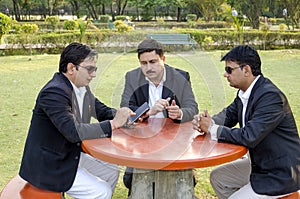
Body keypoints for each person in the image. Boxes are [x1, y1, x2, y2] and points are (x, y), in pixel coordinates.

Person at [19, 42, 134, 199]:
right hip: (50, 166)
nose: (93, 74)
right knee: (102, 192)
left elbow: (102, 111)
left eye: (95, 69)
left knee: (111, 169)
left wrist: (126, 116)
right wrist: (114, 124)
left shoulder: (80, 88)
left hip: (69, 154)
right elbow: (73, 132)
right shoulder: (54, 92)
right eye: (90, 69)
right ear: (71, 68)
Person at [192, 45, 300, 199]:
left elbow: (249, 136)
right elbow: (228, 116)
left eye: (229, 70)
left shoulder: (270, 96)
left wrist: (212, 128)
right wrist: (205, 122)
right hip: (260, 164)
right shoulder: (245, 93)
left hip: (280, 174)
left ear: (247, 70)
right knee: (219, 178)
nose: (225, 74)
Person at [120, 38, 199, 195]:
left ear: (163, 59)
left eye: (153, 61)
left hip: (173, 143)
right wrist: (148, 111)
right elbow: (125, 109)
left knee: (181, 181)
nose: (149, 68)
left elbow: (192, 108)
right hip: (142, 143)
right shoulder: (132, 77)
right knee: (133, 180)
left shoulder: (180, 77)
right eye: (144, 63)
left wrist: (180, 113)